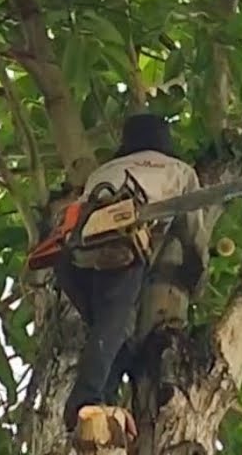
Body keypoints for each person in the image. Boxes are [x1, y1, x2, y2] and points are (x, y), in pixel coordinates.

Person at [53, 113, 201, 433]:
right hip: (120, 247)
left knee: (111, 332)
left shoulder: (103, 171)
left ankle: (106, 396)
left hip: (75, 256)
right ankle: (85, 401)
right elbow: (193, 231)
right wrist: (194, 272)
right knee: (111, 324)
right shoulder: (178, 171)